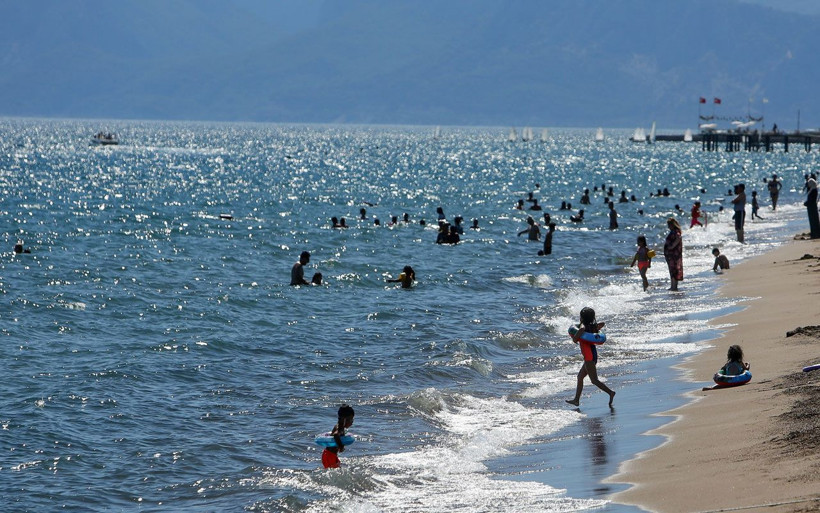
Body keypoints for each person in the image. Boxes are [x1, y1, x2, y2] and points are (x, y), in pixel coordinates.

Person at [566, 307, 616, 407]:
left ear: (582, 317)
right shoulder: (592, 327)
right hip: (592, 356)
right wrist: (595, 325)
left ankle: (610, 392)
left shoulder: (583, 326)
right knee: (580, 377)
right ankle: (576, 400)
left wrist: (575, 339)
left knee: (594, 380)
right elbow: (602, 324)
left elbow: (581, 330)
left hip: (589, 358)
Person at [321, 404, 355, 469]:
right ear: (344, 419)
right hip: (329, 455)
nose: (352, 423)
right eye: (351, 420)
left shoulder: (339, 426)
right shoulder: (340, 428)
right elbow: (336, 435)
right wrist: (341, 447)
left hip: (329, 454)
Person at [664, 217, 683, 291]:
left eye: (669, 225)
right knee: (673, 269)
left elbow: (678, 238)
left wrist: (672, 246)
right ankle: (673, 285)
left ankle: (674, 286)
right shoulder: (674, 231)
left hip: (673, 254)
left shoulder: (675, 231)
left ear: (672, 225)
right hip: (671, 254)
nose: (668, 227)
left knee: (673, 269)